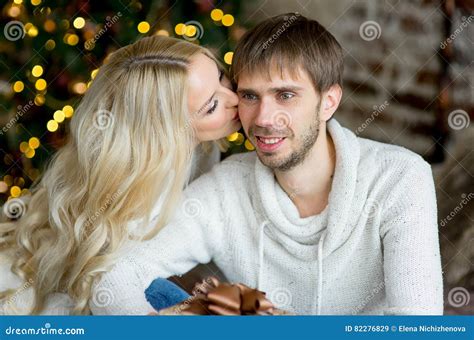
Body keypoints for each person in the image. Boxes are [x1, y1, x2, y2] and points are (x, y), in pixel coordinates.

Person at [90, 13, 444, 316]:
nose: (263, 118)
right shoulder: (226, 186)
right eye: (249, 96)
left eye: (285, 95)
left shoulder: (400, 177)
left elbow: (416, 329)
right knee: (156, 296)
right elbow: (115, 274)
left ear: (328, 102)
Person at [0, 35, 240, 315]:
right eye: (211, 106)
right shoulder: (139, 196)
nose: (234, 97)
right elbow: (109, 285)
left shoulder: (202, 150)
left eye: (221, 77)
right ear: (166, 130)